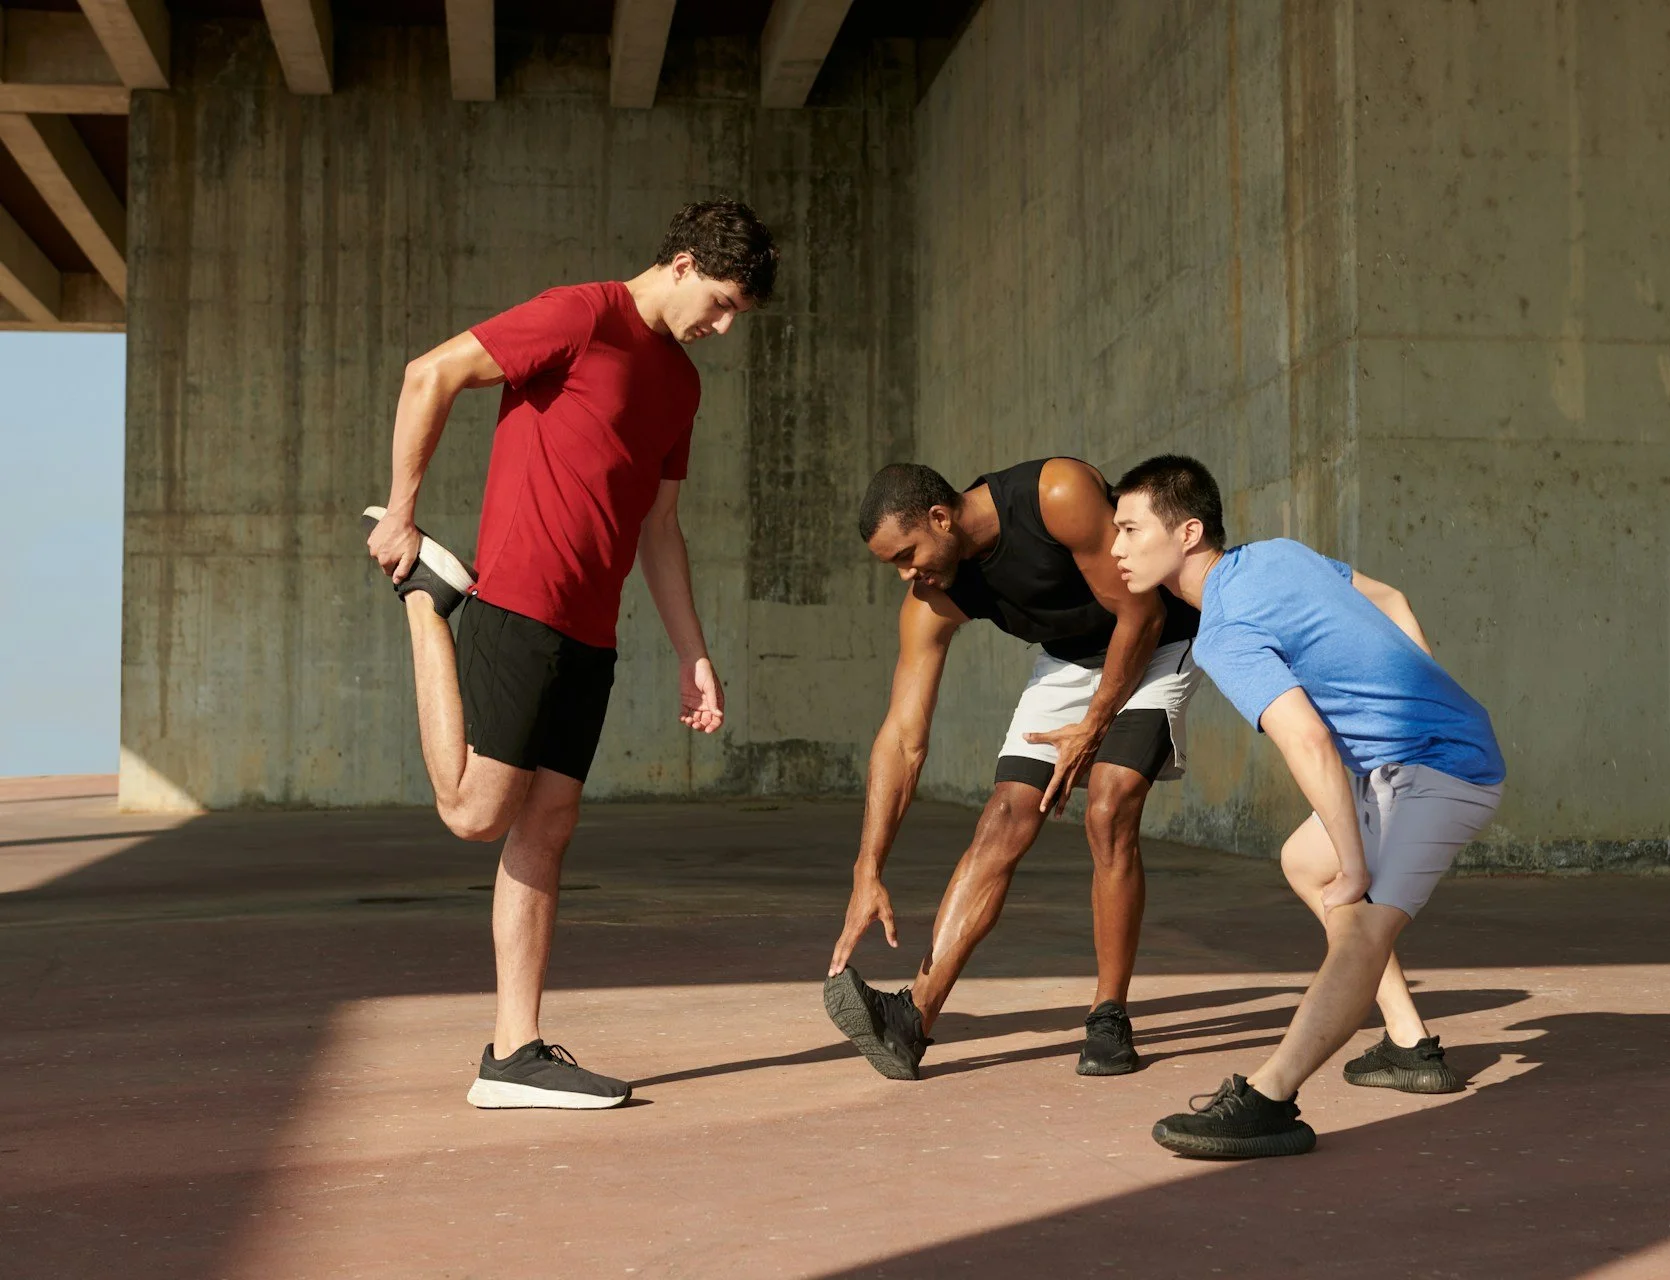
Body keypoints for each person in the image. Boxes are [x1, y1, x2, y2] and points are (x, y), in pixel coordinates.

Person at [361, 200, 777, 1109]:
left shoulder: (684, 388)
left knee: (544, 832)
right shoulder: (584, 314)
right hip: (516, 602)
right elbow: (429, 373)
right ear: (678, 263)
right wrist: (401, 511)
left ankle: (514, 1054)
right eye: (718, 303)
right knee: (476, 813)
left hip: (593, 630)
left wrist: (691, 651)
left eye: (735, 315)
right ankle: (428, 603)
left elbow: (660, 526)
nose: (720, 326)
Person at [1108, 455, 1505, 1158]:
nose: (1115, 548)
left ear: (1188, 532)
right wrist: (1423, 694)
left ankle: (1270, 1099)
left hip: (1441, 771)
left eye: (1131, 529)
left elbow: (1309, 739)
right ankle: (1410, 1047)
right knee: (1305, 862)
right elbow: (1393, 601)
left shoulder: (1223, 631)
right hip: (1419, 754)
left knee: (1356, 920)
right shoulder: (1278, 555)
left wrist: (1356, 861)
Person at [823, 458, 1201, 1079]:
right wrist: (868, 868)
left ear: (942, 517)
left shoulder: (1055, 494)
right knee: (1003, 816)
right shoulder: (932, 598)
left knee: (1109, 804)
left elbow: (1143, 614)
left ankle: (1109, 1016)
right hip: (1069, 664)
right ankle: (910, 1020)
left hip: (1155, 645)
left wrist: (1095, 725)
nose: (906, 574)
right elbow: (902, 737)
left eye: (909, 554)